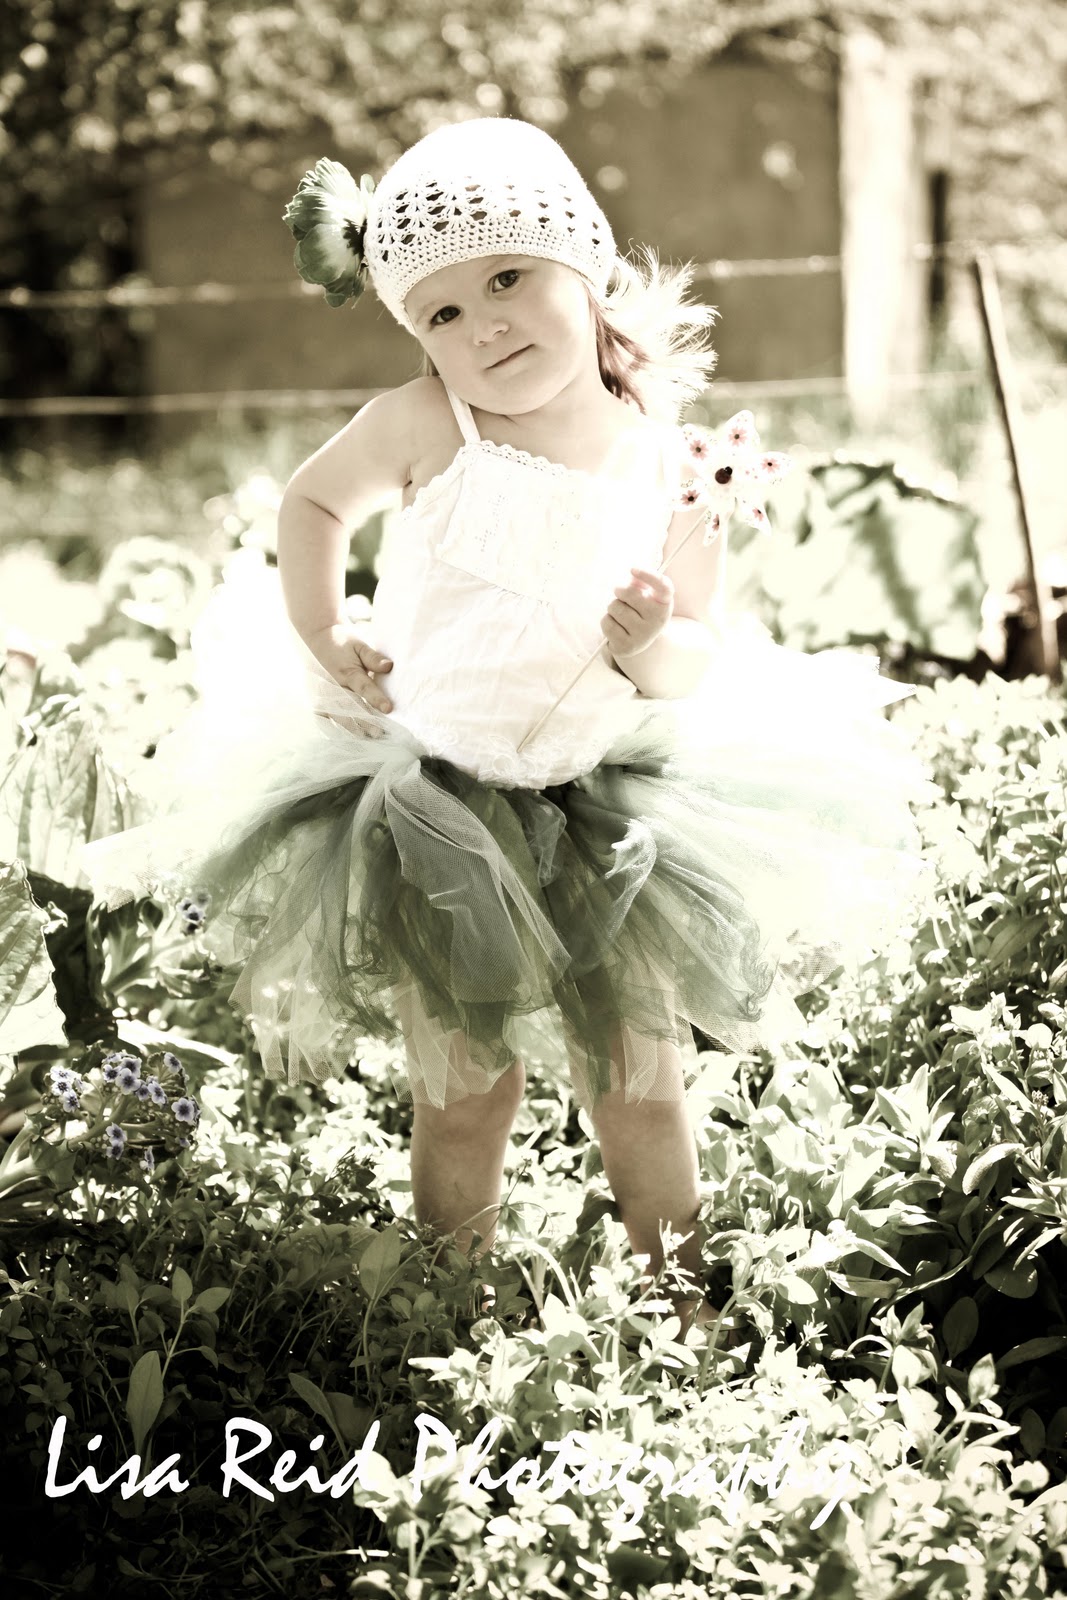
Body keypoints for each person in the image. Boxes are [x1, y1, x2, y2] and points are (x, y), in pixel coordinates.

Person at [83, 117, 939, 1344]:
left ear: (583, 266)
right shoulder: (429, 421)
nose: (482, 325)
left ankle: (677, 1296)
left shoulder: (670, 461)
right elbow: (312, 501)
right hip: (435, 806)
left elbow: (695, 651)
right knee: (465, 1094)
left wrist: (649, 643)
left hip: (606, 815)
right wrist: (325, 631)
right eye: (440, 311)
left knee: (639, 1085)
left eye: (505, 279)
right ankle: (453, 1304)